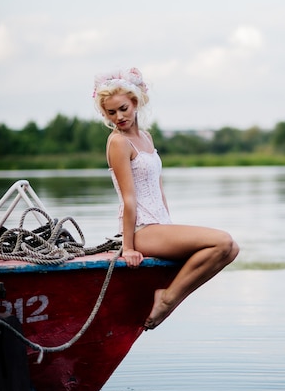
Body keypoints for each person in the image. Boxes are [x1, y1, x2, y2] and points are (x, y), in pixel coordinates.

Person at [93, 67, 239, 329]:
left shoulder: (145, 138)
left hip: (159, 225)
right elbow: (128, 199)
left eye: (123, 108)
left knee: (232, 250)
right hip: (142, 229)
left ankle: (170, 297)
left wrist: (170, 228)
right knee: (223, 241)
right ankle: (168, 299)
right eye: (111, 113)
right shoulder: (118, 142)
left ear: (135, 103)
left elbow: (158, 191)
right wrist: (128, 247)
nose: (119, 117)